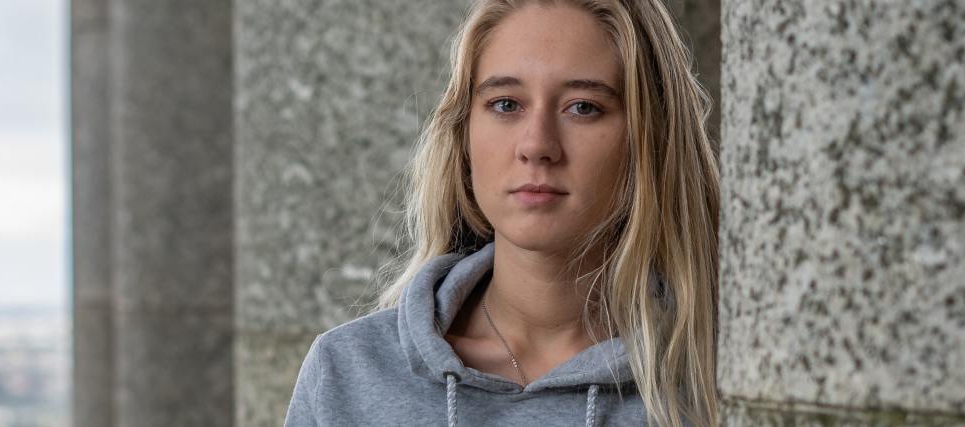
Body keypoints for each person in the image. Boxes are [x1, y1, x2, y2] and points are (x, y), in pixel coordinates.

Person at [285, 0, 719, 425]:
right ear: (464, 135)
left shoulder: (714, 378)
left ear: (649, 140)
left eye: (583, 107)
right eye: (506, 104)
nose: (537, 145)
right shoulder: (347, 373)